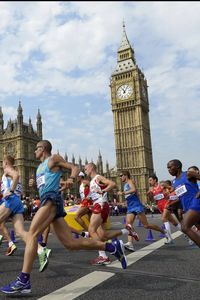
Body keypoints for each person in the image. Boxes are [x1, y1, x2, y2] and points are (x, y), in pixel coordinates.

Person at [0, 140, 127, 295]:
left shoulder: (53, 159)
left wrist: (71, 179)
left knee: (32, 234)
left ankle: (24, 280)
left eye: (36, 149)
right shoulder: (39, 167)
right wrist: (34, 185)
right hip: (49, 200)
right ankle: (112, 247)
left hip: (51, 200)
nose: (34, 152)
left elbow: (75, 167)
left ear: (43, 149)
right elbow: (47, 183)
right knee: (71, 244)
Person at [85, 163, 139, 264]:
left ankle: (103, 256)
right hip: (101, 205)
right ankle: (127, 230)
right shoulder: (92, 181)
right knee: (103, 236)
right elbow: (98, 193)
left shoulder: (97, 177)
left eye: (85, 168)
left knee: (91, 230)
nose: (85, 171)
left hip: (100, 205)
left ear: (91, 168)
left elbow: (112, 184)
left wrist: (103, 191)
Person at [118, 170, 168, 251]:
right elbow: (135, 193)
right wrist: (126, 201)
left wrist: (123, 193)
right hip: (131, 206)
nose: (120, 177)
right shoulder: (125, 185)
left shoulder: (130, 181)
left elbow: (133, 189)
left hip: (136, 206)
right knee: (128, 225)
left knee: (146, 225)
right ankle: (130, 244)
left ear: (125, 175)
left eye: (121, 175)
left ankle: (164, 231)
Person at [167, 159, 200, 247]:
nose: (168, 169)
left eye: (170, 167)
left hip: (196, 204)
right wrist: (172, 204)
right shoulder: (174, 182)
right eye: (167, 168)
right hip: (188, 208)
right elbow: (182, 196)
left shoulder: (188, 174)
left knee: (185, 227)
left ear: (177, 166)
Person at [148, 175, 181, 244]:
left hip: (167, 204)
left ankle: (169, 238)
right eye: (149, 180)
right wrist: (149, 194)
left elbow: (172, 188)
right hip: (160, 207)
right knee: (174, 223)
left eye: (150, 180)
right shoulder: (151, 189)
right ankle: (186, 233)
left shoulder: (161, 185)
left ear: (155, 180)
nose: (149, 182)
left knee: (163, 219)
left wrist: (167, 192)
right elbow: (151, 199)